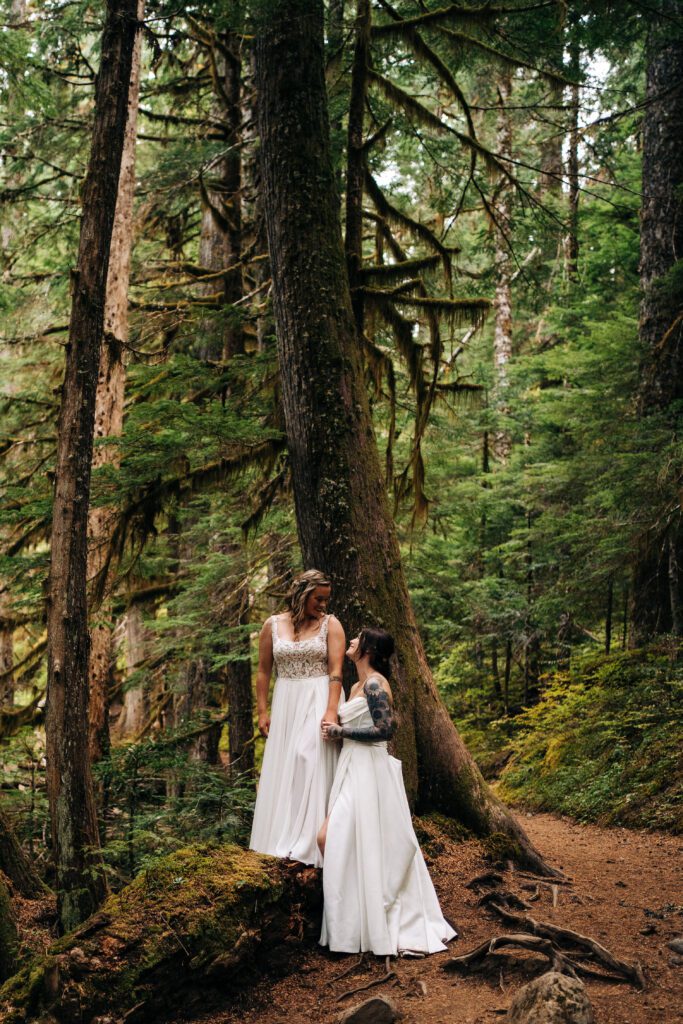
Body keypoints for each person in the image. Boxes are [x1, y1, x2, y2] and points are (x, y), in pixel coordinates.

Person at [318, 628, 456, 956]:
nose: (350, 641)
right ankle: (355, 923)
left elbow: (386, 730)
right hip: (351, 767)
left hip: (370, 771)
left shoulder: (375, 684)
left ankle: (373, 918)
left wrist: (341, 730)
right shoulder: (355, 686)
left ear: (368, 649)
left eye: (357, 639)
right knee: (340, 840)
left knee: (333, 838)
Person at [249, 569, 345, 867]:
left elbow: (336, 671)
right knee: (286, 766)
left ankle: (308, 843)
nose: (323, 605)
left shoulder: (332, 625)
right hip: (287, 699)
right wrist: (262, 710)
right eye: (318, 598)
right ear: (302, 594)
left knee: (309, 757)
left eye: (326, 599)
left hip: (318, 696)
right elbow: (264, 670)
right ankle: (282, 838)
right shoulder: (272, 625)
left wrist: (331, 710)